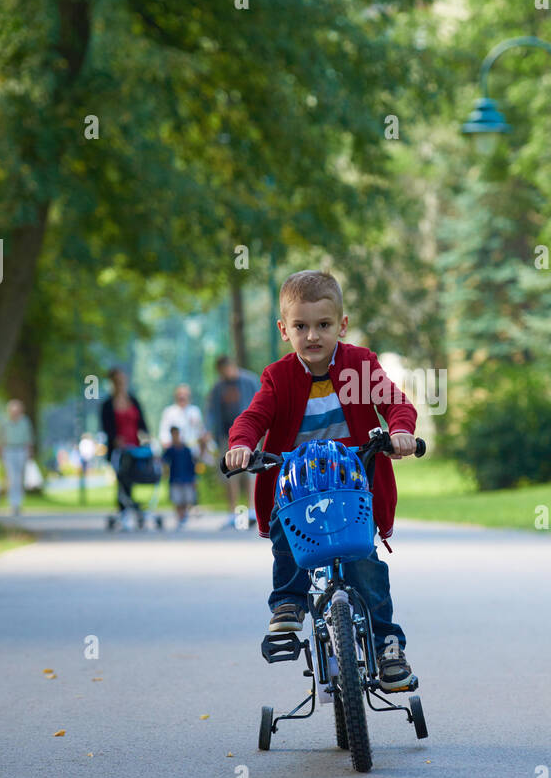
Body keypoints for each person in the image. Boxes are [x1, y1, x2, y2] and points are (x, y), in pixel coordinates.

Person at [224, 269, 420, 691]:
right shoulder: (278, 378)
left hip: (352, 486)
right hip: (298, 486)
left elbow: (395, 403)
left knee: (364, 564)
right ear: (284, 329)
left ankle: (388, 644)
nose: (312, 336)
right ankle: (288, 604)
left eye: (323, 325)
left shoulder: (359, 366)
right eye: (301, 326)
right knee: (284, 527)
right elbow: (253, 417)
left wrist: (400, 431)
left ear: (342, 326)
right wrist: (241, 443)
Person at [207, 354, 260, 529]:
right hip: (227, 436)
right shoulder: (218, 388)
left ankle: (252, 511)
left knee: (251, 472)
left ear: (232, 366)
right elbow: (212, 413)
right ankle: (233, 513)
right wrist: (210, 433)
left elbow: (261, 404)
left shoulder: (250, 381)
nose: (225, 374)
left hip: (250, 434)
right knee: (230, 473)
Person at [100, 366, 150, 528]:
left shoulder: (133, 400)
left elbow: (142, 423)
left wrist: (147, 438)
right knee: (122, 479)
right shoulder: (108, 404)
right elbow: (107, 427)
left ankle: (130, 509)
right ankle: (124, 510)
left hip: (135, 448)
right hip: (119, 450)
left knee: (132, 478)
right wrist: (115, 439)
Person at [0, 399, 34, 516]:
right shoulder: (4, 421)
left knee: (19, 477)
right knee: (12, 477)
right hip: (8, 450)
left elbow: (29, 437)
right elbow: (0, 437)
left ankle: (18, 503)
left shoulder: (24, 421)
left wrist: (29, 452)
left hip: (21, 449)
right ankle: (13, 503)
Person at [158, 384, 211, 454]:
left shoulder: (195, 411)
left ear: (189, 396)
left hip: (193, 453)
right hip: (175, 453)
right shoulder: (169, 412)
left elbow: (201, 432)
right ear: (175, 396)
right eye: (179, 394)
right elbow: (163, 435)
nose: (182, 396)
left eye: (185, 394)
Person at [162, 425, 198, 527]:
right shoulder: (170, 450)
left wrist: (194, 478)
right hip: (175, 478)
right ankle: (180, 517)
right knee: (177, 500)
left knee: (186, 499)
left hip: (186, 478)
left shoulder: (186, 450)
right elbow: (163, 461)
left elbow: (191, 465)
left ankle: (184, 515)